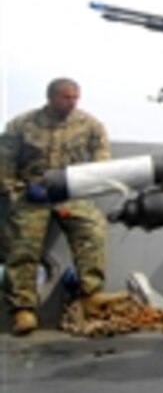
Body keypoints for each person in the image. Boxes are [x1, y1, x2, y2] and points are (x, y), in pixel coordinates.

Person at [1, 78, 110, 336]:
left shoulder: (90, 125)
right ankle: (22, 309)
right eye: (66, 98)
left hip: (70, 191)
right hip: (32, 192)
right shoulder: (22, 125)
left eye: (75, 98)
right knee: (22, 245)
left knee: (92, 231)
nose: (71, 103)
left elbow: (100, 159)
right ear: (50, 97)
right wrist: (15, 191)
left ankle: (91, 294)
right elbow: (4, 162)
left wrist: (82, 184)